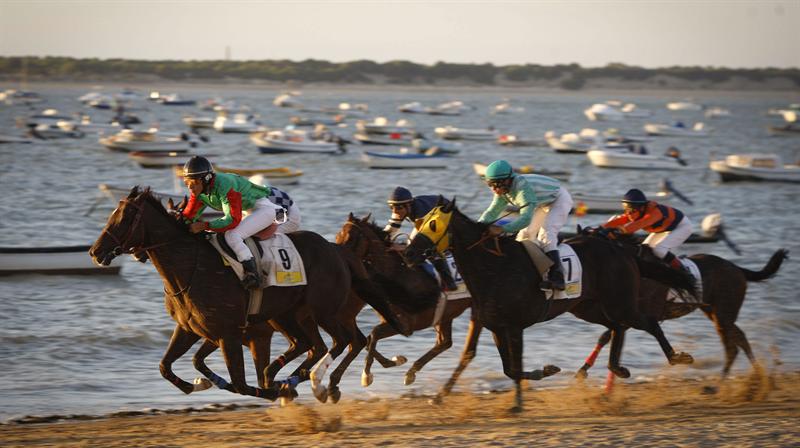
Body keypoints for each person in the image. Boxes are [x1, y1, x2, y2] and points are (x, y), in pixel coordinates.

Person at [181, 156, 301, 289]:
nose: (190, 187)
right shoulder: (200, 190)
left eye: (194, 182)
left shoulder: (225, 185)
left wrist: (204, 225)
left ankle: (253, 273)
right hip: (250, 211)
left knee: (232, 235)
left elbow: (231, 220)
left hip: (265, 209)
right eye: (187, 182)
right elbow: (188, 215)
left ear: (206, 179)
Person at [477, 160, 573, 291]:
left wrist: (502, 229)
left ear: (507, 181)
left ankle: (557, 279)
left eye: (496, 184)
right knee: (524, 236)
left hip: (559, 199)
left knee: (546, 235)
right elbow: (492, 211)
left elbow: (526, 219)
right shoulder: (503, 190)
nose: (493, 189)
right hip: (542, 203)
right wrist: (477, 227)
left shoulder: (522, 189)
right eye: (490, 184)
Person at [384, 186, 457, 291]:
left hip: (448, 219)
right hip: (433, 219)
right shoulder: (401, 209)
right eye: (392, 207)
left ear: (408, 205)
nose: (395, 211)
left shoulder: (421, 212)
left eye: (398, 208)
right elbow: (390, 229)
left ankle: (449, 282)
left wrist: (403, 247)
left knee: (430, 250)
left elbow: (418, 241)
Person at [601, 188, 692, 272]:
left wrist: (616, 231)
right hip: (663, 230)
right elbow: (620, 220)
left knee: (659, 250)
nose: (629, 214)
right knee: (645, 251)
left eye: (632, 211)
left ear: (642, 208)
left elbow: (635, 226)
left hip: (681, 226)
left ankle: (684, 271)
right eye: (627, 210)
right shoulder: (635, 212)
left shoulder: (654, 214)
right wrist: (600, 228)